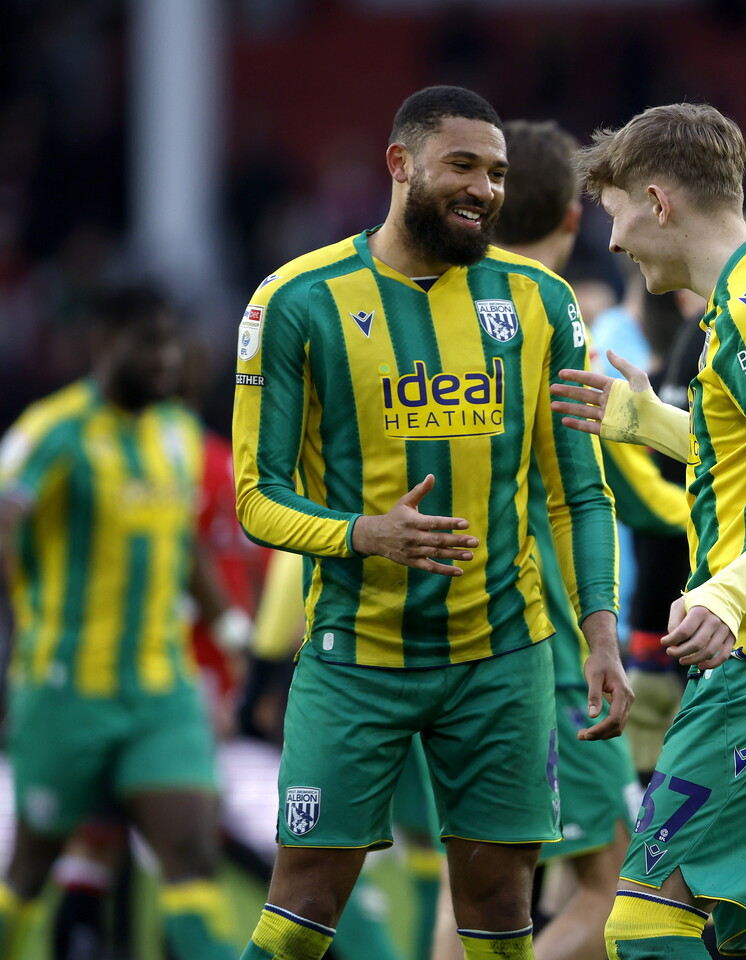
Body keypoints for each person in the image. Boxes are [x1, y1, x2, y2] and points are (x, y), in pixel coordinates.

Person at [231, 86, 629, 960]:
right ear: (399, 164)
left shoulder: (539, 301)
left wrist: (599, 632)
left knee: (497, 906)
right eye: (463, 166)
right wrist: (360, 533)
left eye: (495, 173)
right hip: (356, 658)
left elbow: (578, 491)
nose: (485, 188)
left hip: (504, 659)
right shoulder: (295, 301)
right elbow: (255, 499)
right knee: (302, 910)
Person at [550, 102, 746, 960]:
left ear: (656, 201)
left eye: (614, 213)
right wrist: (651, 422)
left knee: (646, 925)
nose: (611, 243)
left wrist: (728, 591)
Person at [427, 117, 648, 960]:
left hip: (447, 636)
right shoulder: (553, 324)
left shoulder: (437, 310)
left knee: (484, 875)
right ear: (572, 221)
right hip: (547, 641)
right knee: (618, 884)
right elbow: (600, 492)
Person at [0, 285, 239, 959]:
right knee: (31, 867)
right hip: (64, 688)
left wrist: (229, 632)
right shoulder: (53, 430)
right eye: (149, 344)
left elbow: (183, 540)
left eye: (171, 342)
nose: (167, 359)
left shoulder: (176, 434)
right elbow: (6, 516)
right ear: (106, 345)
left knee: (191, 853)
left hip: (160, 689)